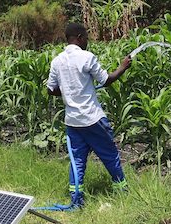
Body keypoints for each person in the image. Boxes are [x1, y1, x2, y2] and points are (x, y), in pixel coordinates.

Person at [46, 23, 132, 207]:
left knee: (77, 160)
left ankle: (77, 200)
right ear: (79, 37)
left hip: (73, 122)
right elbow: (106, 80)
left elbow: (51, 89)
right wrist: (123, 67)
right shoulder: (87, 57)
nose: (88, 41)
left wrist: (70, 93)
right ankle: (122, 191)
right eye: (86, 37)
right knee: (109, 154)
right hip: (92, 118)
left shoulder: (57, 61)